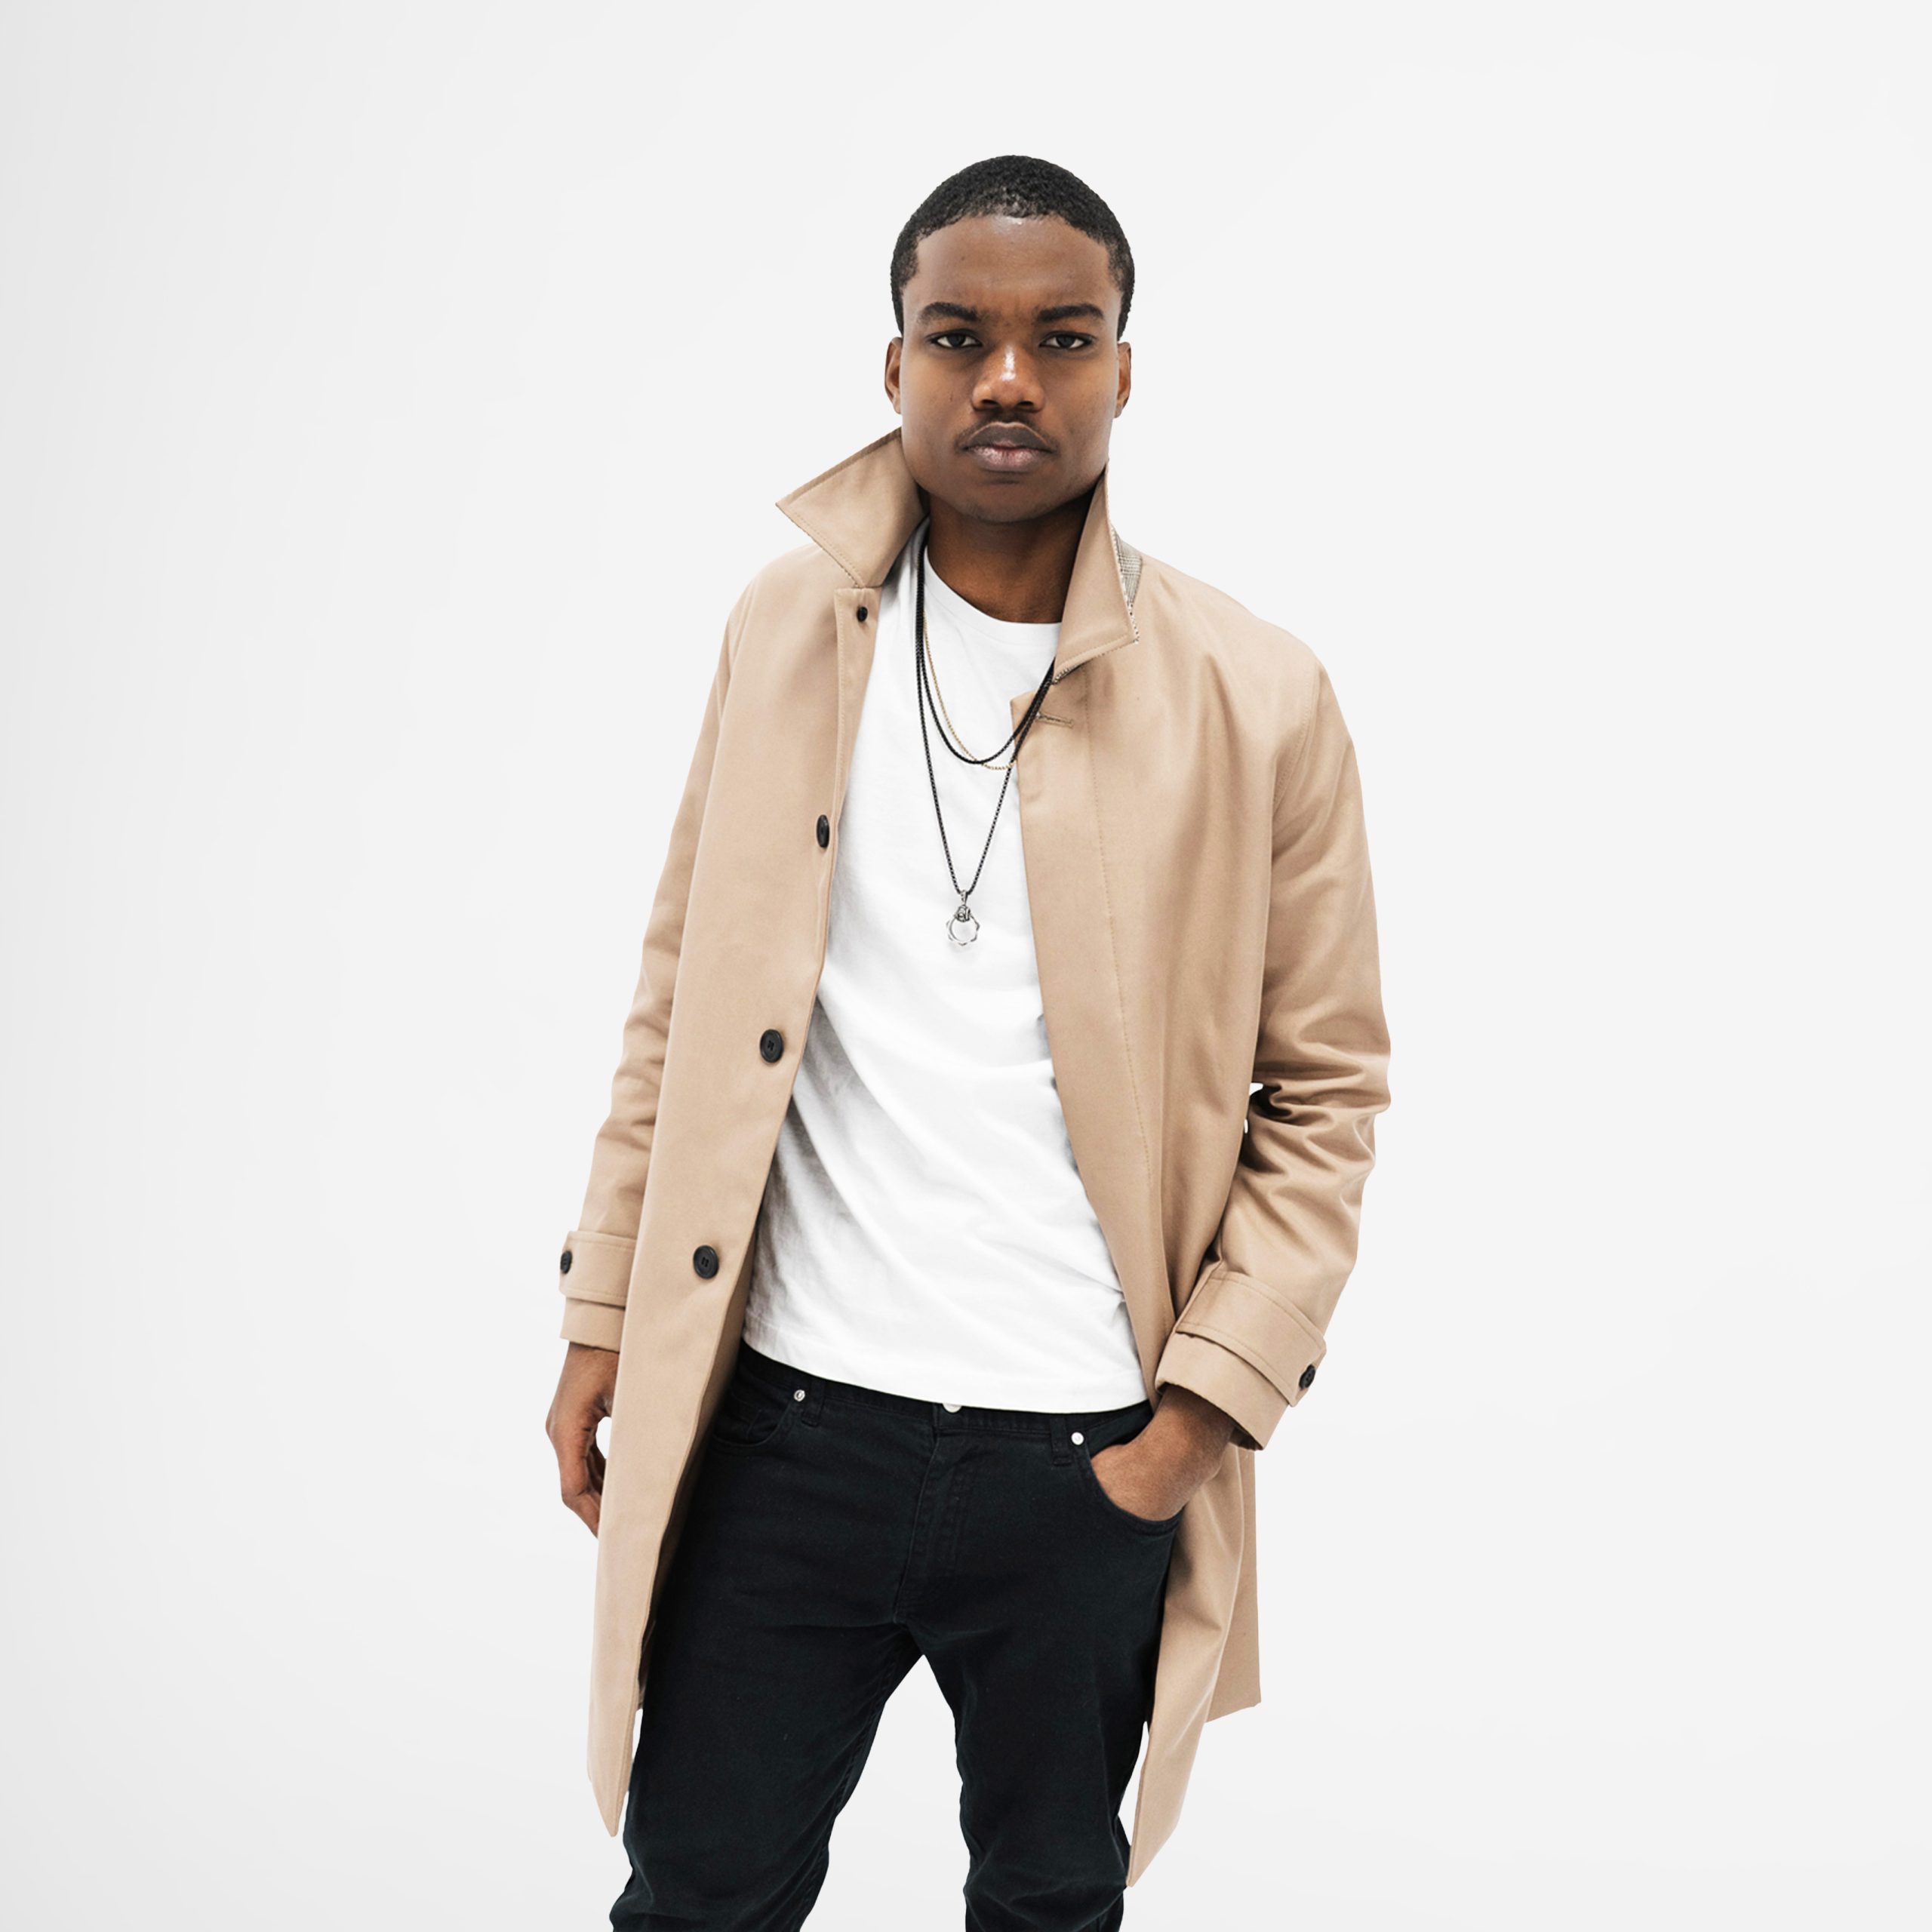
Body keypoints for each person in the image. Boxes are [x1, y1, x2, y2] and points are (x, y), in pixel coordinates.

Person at [544, 153, 1392, 1931]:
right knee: (694, 1892)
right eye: (958, 337)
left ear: (1121, 370)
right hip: (786, 1423)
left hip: (1081, 1449)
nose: (1007, 377)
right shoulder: (783, 630)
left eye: (1059, 338)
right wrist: (603, 1308)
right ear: (895, 363)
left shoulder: (1257, 694)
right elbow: (677, 994)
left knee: (1045, 1902)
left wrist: (1189, 1428)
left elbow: (1322, 1093)